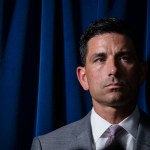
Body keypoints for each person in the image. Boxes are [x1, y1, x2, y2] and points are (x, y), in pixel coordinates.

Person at [31, 18, 150, 150]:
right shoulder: (46, 146)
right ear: (83, 77)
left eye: (124, 58)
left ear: (141, 72)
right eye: (100, 59)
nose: (113, 70)